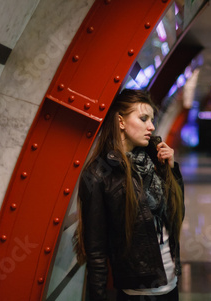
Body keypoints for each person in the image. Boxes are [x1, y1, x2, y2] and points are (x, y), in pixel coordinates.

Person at [73, 89, 185, 301]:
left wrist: (171, 172)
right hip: (138, 292)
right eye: (143, 119)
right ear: (121, 121)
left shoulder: (155, 161)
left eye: (152, 119)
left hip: (171, 283)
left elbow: (177, 217)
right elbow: (96, 253)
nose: (151, 126)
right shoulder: (99, 174)